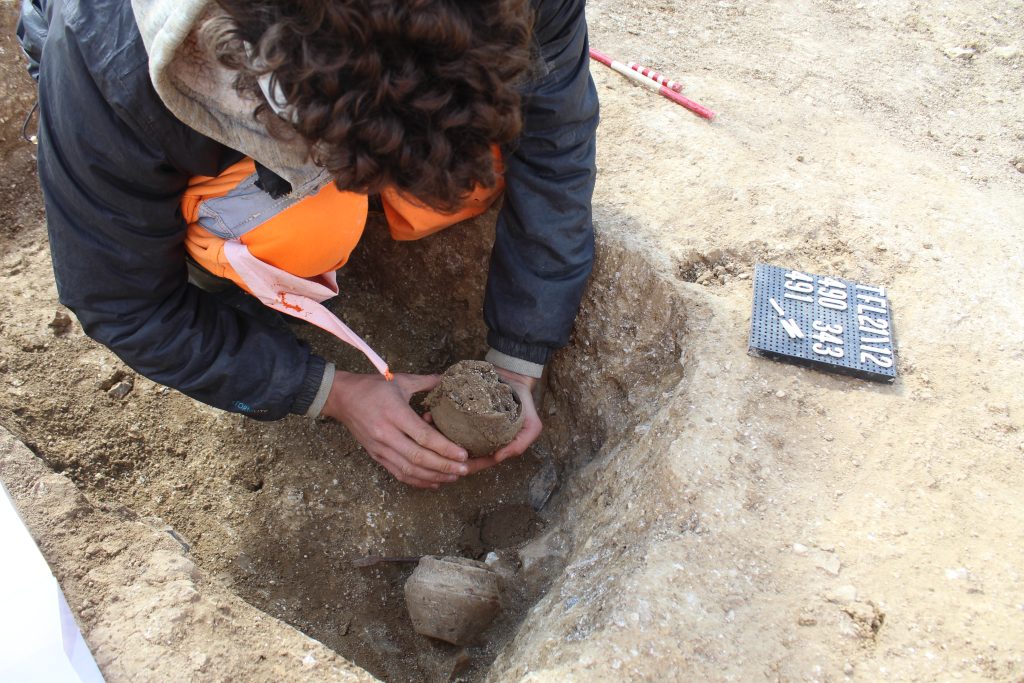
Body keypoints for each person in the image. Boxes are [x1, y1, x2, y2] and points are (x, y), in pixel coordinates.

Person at [17, 0, 598, 488]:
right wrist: (330, 392)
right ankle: (224, 271)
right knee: (299, 234)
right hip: (164, 94)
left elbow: (557, 138)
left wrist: (520, 355)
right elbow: (123, 302)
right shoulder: (111, 68)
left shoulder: (512, 7)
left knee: (476, 169)